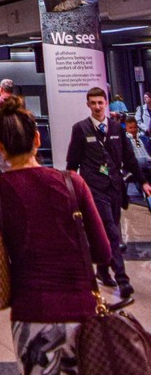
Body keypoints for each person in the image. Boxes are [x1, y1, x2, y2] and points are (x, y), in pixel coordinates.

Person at [0, 96, 112, 375]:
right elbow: (103, 251)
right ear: (38, 139)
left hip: (32, 314)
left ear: (0, 147)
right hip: (81, 311)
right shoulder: (72, 184)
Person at [66, 87, 151, 305]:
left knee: (108, 229)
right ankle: (123, 280)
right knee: (113, 234)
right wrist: (73, 190)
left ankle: (103, 270)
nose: (96, 106)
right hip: (94, 189)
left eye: (100, 102)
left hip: (115, 187)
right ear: (88, 104)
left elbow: (129, 158)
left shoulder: (116, 128)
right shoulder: (80, 129)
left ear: (106, 104)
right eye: (93, 103)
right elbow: (72, 164)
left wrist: (143, 182)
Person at [125, 116, 151, 185]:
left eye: (135, 127)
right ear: (126, 128)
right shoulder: (124, 140)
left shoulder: (144, 138)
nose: (133, 130)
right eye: (130, 128)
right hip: (136, 165)